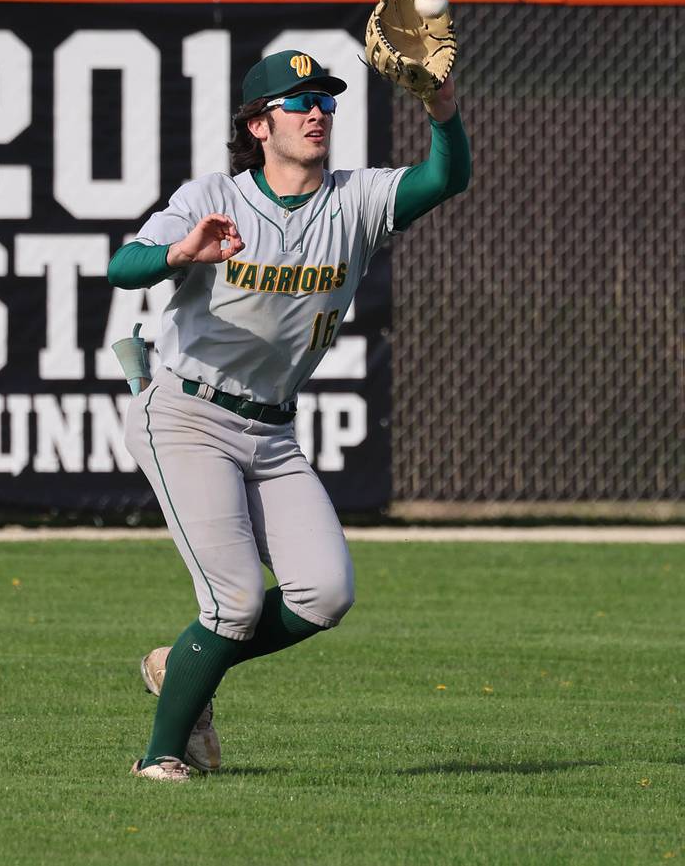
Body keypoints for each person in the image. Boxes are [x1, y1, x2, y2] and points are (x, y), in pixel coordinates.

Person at [108, 49, 470, 781]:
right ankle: (161, 757)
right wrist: (180, 251)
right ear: (257, 123)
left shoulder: (356, 199)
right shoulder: (217, 195)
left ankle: (180, 665)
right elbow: (123, 264)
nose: (316, 114)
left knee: (325, 591)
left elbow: (446, 178)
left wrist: (441, 103)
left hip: (271, 428)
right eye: (299, 102)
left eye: (326, 102)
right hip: (186, 412)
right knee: (236, 598)